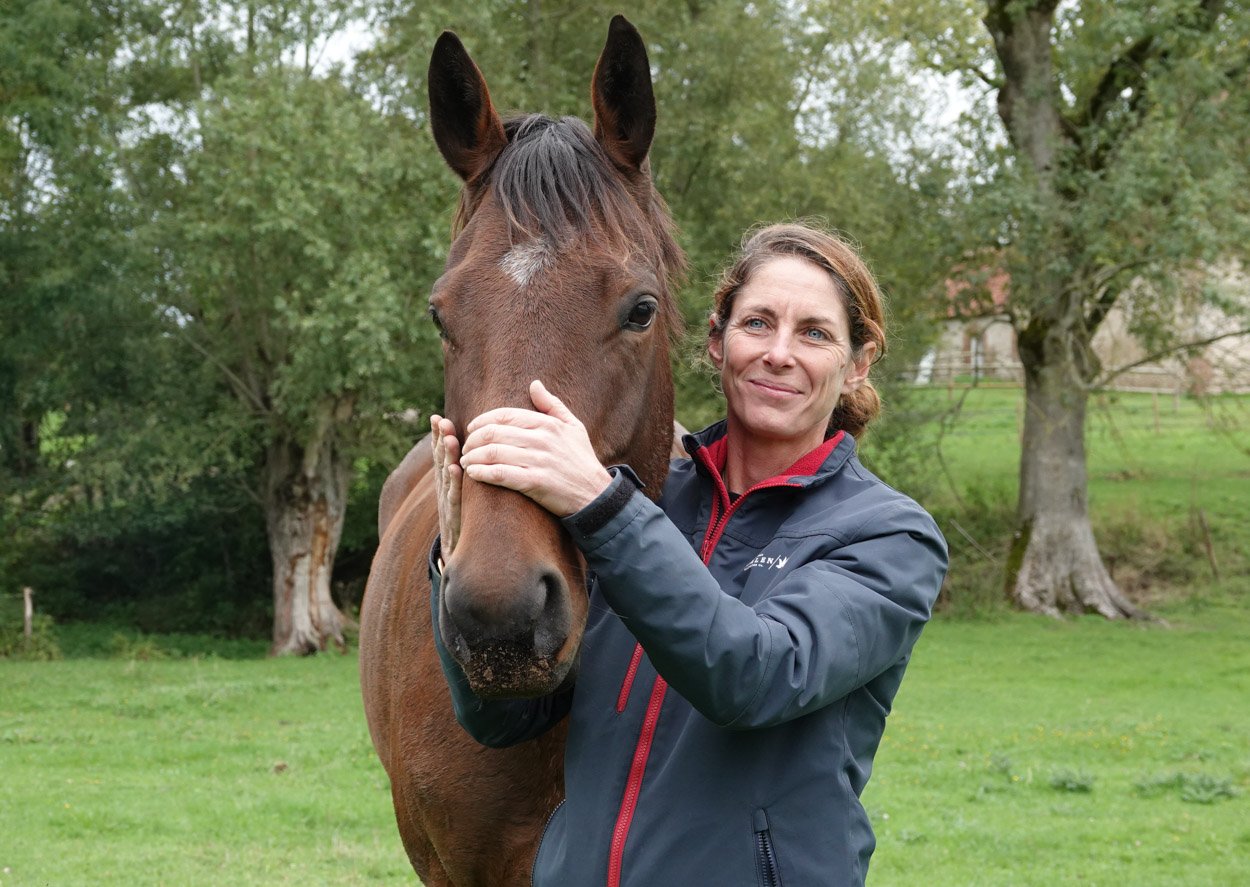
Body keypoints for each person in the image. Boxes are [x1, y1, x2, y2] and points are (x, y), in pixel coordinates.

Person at [429, 222, 948, 886]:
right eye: (757, 323)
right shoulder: (645, 503)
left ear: (858, 363)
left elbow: (755, 677)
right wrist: (456, 560)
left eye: (815, 333)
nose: (779, 354)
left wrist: (601, 504)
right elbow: (504, 717)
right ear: (716, 340)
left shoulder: (888, 535)